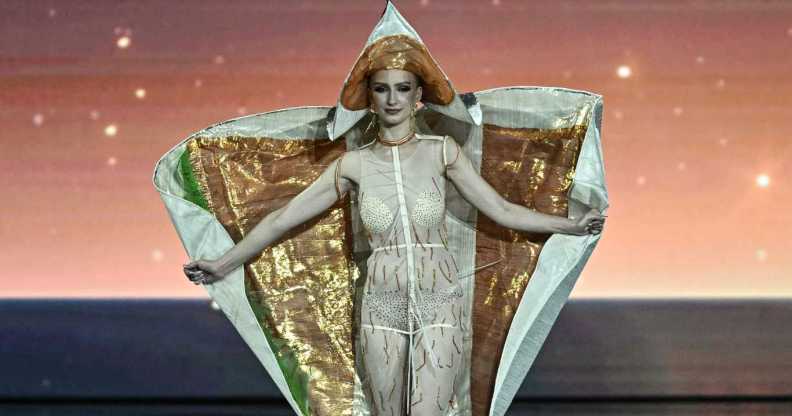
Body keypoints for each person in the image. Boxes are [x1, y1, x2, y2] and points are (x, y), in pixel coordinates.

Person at [183, 65, 603, 414]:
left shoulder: (442, 152)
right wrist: (222, 264)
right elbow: (282, 219)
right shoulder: (354, 165)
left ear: (419, 94)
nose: (392, 98)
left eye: (403, 88)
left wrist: (572, 225)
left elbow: (503, 210)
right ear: (370, 97)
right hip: (381, 305)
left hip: (440, 300)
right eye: (382, 89)